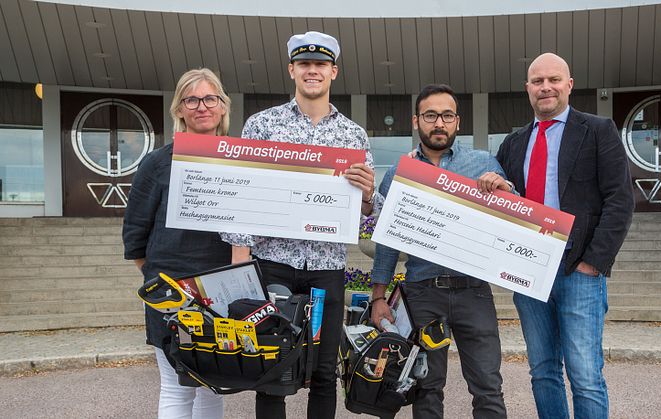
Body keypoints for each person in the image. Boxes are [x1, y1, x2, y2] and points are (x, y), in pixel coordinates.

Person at [219, 31, 379, 419]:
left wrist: (369, 195)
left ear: (334, 72)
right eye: (305, 64)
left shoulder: (352, 135)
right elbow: (241, 198)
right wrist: (240, 259)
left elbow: (368, 217)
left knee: (324, 373)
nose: (312, 71)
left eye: (320, 64)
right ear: (292, 70)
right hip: (273, 263)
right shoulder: (262, 126)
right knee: (272, 370)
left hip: (326, 269)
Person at [478, 53, 634, 419]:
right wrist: (494, 185)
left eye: (553, 80)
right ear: (527, 89)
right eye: (537, 81)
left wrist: (593, 263)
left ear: (569, 84)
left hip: (578, 271)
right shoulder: (513, 144)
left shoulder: (598, 130)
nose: (545, 87)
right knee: (543, 371)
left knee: (585, 375)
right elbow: (507, 203)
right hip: (528, 274)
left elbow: (620, 200)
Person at [370, 84, 511, 419]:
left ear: (457, 122)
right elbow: (388, 241)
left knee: (488, 387)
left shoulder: (483, 163)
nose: (439, 123)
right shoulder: (398, 173)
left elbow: (511, 218)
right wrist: (378, 297)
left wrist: (506, 191)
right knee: (427, 389)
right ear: (416, 121)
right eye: (430, 115)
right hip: (422, 293)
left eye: (447, 115)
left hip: (473, 292)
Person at [123, 68, 233, 418]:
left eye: (209, 98)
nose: (202, 106)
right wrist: (161, 277)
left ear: (222, 106)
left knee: (214, 384)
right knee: (176, 387)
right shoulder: (157, 163)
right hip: (172, 290)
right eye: (192, 99)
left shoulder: (240, 162)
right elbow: (135, 234)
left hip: (222, 289)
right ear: (180, 109)